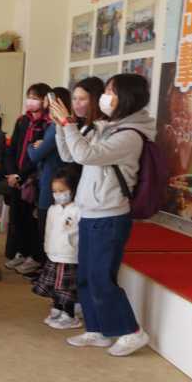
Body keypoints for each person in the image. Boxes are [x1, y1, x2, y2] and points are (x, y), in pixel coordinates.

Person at [50, 72, 153, 357]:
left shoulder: (130, 136)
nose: (105, 96)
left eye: (111, 91)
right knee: (86, 275)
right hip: (91, 212)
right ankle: (97, 329)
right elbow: (70, 155)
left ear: (128, 97)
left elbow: (86, 156)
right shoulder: (105, 127)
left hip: (110, 215)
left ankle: (132, 332)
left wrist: (69, 124)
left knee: (100, 277)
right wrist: (62, 126)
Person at [3, 83, 52, 275]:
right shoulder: (22, 120)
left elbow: (37, 154)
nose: (31, 100)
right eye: (29, 96)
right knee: (18, 218)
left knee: (32, 221)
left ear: (45, 101)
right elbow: (12, 148)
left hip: (33, 179)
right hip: (15, 178)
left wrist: (21, 175)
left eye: (36, 97)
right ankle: (21, 252)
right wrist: (11, 173)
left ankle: (34, 256)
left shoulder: (47, 125)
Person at [32, 169, 81, 329]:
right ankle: (58, 308)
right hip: (54, 254)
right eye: (55, 191)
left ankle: (70, 315)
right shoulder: (53, 209)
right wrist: (47, 248)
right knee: (55, 285)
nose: (58, 194)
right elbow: (48, 230)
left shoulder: (77, 210)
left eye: (62, 191)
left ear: (73, 189)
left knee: (66, 288)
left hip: (69, 255)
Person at [27, 87, 71, 265]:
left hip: (52, 183)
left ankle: (47, 269)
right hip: (49, 180)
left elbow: (35, 155)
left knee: (48, 230)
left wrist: (32, 145)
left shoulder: (55, 128)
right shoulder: (53, 127)